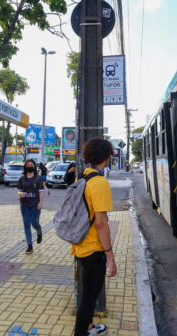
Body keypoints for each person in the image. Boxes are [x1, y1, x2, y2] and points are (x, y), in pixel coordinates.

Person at [71, 138, 117, 336]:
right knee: (90, 298)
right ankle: (81, 332)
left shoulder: (82, 177)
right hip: (93, 249)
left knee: (87, 293)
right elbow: (101, 223)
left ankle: (89, 327)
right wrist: (110, 256)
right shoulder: (99, 182)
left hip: (80, 245)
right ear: (106, 157)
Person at [17, 159, 44, 254]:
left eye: (31, 165)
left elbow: (41, 192)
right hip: (24, 205)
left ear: (34, 167)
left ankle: (39, 230)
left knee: (34, 223)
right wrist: (21, 194)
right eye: (28, 165)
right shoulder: (22, 179)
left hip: (35, 204)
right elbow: (19, 191)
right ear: (25, 167)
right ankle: (29, 245)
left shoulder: (38, 178)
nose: (29, 166)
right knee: (26, 224)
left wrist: (40, 203)